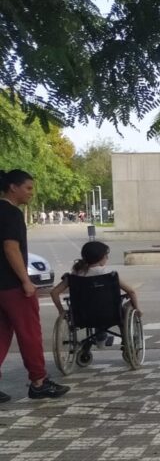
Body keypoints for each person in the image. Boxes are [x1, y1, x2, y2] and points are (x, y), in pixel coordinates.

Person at [0, 169, 70, 402]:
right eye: (28, 188)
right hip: (12, 285)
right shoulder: (11, 213)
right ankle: (39, 382)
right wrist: (25, 280)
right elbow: (11, 248)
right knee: (29, 333)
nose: (31, 193)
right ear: (13, 187)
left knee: (1, 334)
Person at [50, 241, 142, 350]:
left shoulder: (74, 275)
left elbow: (54, 293)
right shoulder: (109, 274)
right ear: (101, 257)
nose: (107, 258)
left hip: (81, 316)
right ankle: (125, 341)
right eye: (106, 255)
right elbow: (131, 292)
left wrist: (61, 311)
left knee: (94, 308)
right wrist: (137, 309)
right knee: (123, 307)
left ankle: (100, 338)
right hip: (110, 314)